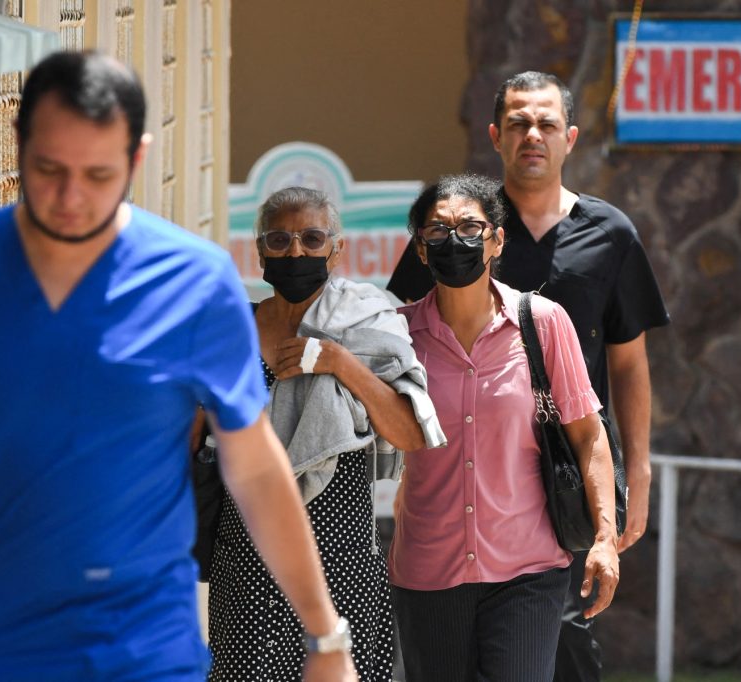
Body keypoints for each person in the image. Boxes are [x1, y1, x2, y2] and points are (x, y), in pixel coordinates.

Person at [0, 51, 355, 682]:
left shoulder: (195, 281)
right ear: (19, 142)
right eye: (49, 169)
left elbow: (254, 465)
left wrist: (325, 634)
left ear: (137, 157)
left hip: (143, 646)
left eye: (98, 174)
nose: (70, 198)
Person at [386, 72, 669, 681]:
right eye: (518, 124)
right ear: (496, 136)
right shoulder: (460, 222)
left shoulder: (610, 235)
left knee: (571, 648)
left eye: (545, 124)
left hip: (555, 491)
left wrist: (636, 475)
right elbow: (402, 349)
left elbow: (628, 363)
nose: (532, 136)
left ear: (570, 137)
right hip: (446, 521)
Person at [205, 187, 444, 682]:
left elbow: (410, 433)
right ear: (260, 252)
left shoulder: (366, 323)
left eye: (312, 239)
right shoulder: (233, 330)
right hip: (246, 560)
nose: (296, 252)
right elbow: (192, 434)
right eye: (280, 240)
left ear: (336, 250)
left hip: (341, 561)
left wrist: (340, 363)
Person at [389, 173, 620, 682]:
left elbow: (588, 435)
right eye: (438, 230)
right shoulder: (398, 335)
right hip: (428, 572)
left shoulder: (543, 323)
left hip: (528, 569)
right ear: (421, 250)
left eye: (470, 228)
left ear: (496, 240)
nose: (454, 242)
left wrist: (605, 537)